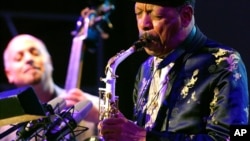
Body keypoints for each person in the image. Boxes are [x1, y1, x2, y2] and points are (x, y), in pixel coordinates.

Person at [98, 0, 249, 140]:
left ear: (185, 16)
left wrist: (142, 137)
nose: (144, 24)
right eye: (138, 13)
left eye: (156, 15)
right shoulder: (146, 68)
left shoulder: (225, 63)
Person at [0, 34, 100, 141]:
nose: (29, 59)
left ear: (50, 61)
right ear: (8, 74)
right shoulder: (2, 120)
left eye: (35, 53)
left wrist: (99, 118)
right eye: (18, 58)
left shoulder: (96, 106)